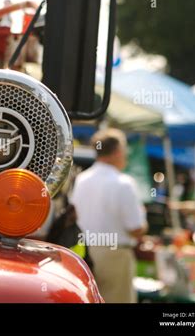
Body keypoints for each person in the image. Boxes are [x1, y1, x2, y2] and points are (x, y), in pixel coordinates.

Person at [71, 128, 148, 303]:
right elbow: (136, 228)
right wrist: (143, 222)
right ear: (117, 152)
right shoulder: (124, 183)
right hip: (115, 255)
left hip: (83, 252)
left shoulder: (82, 179)